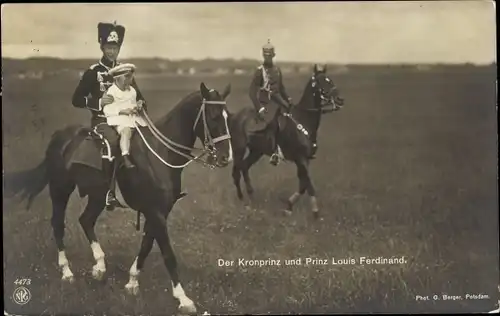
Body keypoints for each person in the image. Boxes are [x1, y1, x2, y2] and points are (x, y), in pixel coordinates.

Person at [71, 21, 148, 211]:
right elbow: (76, 99)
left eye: (115, 47)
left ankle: (145, 189)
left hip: (126, 119)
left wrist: (140, 103)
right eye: (108, 47)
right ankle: (110, 192)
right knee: (113, 142)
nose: (112, 51)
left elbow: (139, 96)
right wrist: (97, 104)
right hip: (102, 121)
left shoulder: (124, 71)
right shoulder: (93, 72)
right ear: (102, 47)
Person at [248, 39, 294, 166]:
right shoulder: (259, 71)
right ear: (263, 55)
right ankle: (274, 152)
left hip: (279, 101)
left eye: (270, 55)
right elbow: (252, 92)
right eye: (265, 55)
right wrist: (259, 108)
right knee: (274, 123)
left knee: (292, 119)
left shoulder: (277, 70)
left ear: (273, 55)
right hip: (265, 104)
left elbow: (281, 87)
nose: (268, 57)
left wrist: (288, 99)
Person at [103, 63, 147, 169]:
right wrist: (122, 111)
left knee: (145, 131)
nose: (129, 80)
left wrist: (138, 105)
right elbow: (107, 109)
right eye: (126, 77)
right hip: (118, 119)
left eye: (130, 77)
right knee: (126, 132)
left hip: (132, 118)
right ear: (117, 79)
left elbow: (132, 103)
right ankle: (125, 156)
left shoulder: (132, 91)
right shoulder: (112, 91)